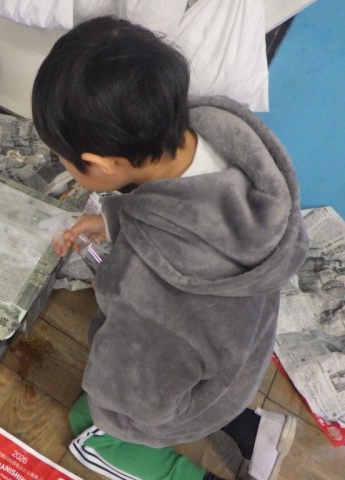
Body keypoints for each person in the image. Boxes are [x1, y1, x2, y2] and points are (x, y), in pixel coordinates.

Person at [31, 16, 309, 480]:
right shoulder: (220, 136)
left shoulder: (152, 290)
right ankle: (254, 428)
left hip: (189, 382)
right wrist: (113, 220)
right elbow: (187, 204)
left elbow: (140, 398)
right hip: (239, 351)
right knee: (204, 374)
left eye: (65, 161)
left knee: (91, 431)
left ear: (103, 164)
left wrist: (112, 406)